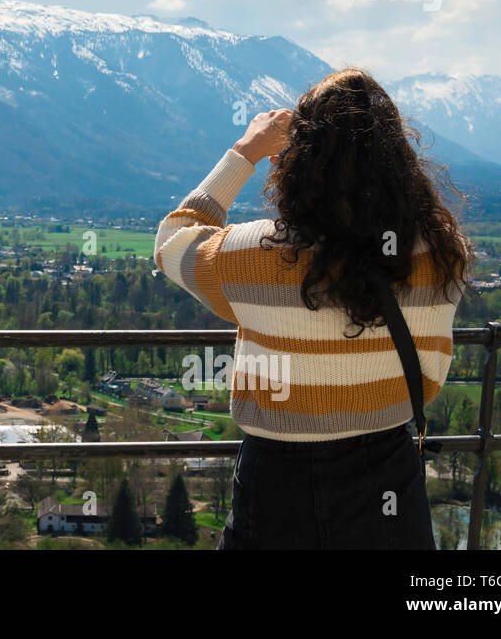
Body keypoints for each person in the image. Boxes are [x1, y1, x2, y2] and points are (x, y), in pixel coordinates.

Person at [153, 67, 472, 549]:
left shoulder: (253, 254)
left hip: (277, 478)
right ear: (399, 158)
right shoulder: (441, 253)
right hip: (387, 467)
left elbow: (172, 243)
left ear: (298, 161)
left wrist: (245, 152)